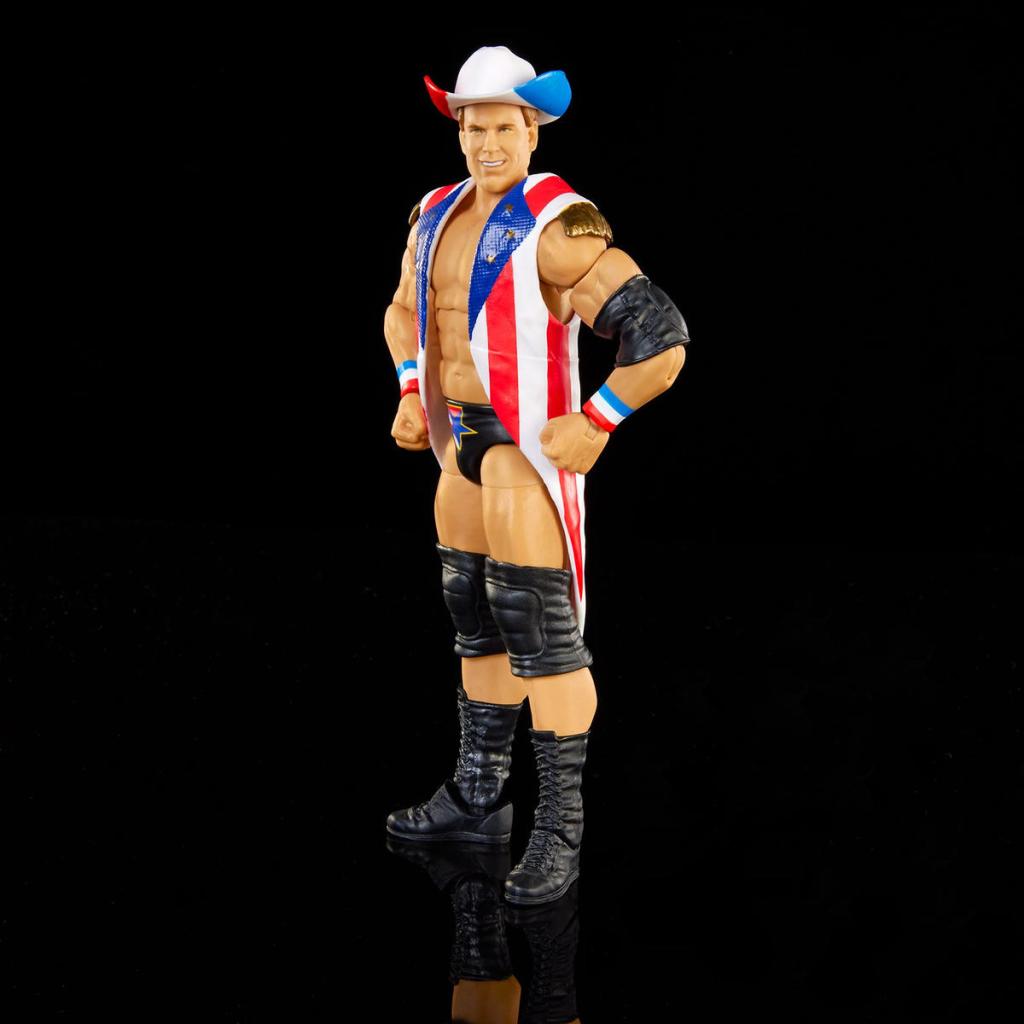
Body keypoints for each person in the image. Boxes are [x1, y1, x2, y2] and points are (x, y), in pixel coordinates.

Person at [383, 45, 689, 905]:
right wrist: (409, 387)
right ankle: (479, 800)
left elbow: (661, 335)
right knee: (474, 618)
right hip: (459, 443)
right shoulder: (433, 215)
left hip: (523, 448)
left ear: (533, 131)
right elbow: (404, 311)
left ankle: (560, 828)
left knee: (537, 629)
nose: (489, 144)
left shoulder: (558, 224)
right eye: (474, 127)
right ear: (459, 132)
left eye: (504, 129)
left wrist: (598, 419)